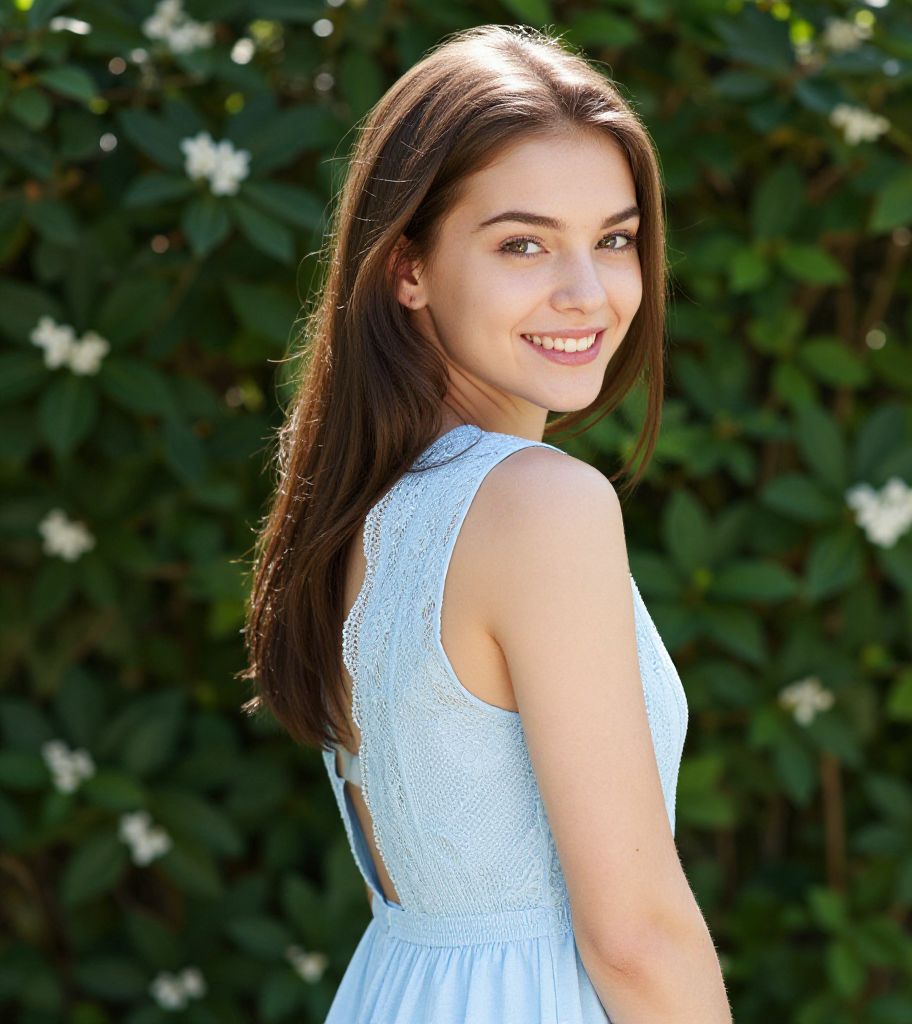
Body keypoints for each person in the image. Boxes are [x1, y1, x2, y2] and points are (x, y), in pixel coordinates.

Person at [239, 23, 732, 1024]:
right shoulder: (540, 503)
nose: (587, 292)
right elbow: (634, 936)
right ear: (406, 268)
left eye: (614, 238)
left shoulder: (366, 502)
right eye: (522, 242)